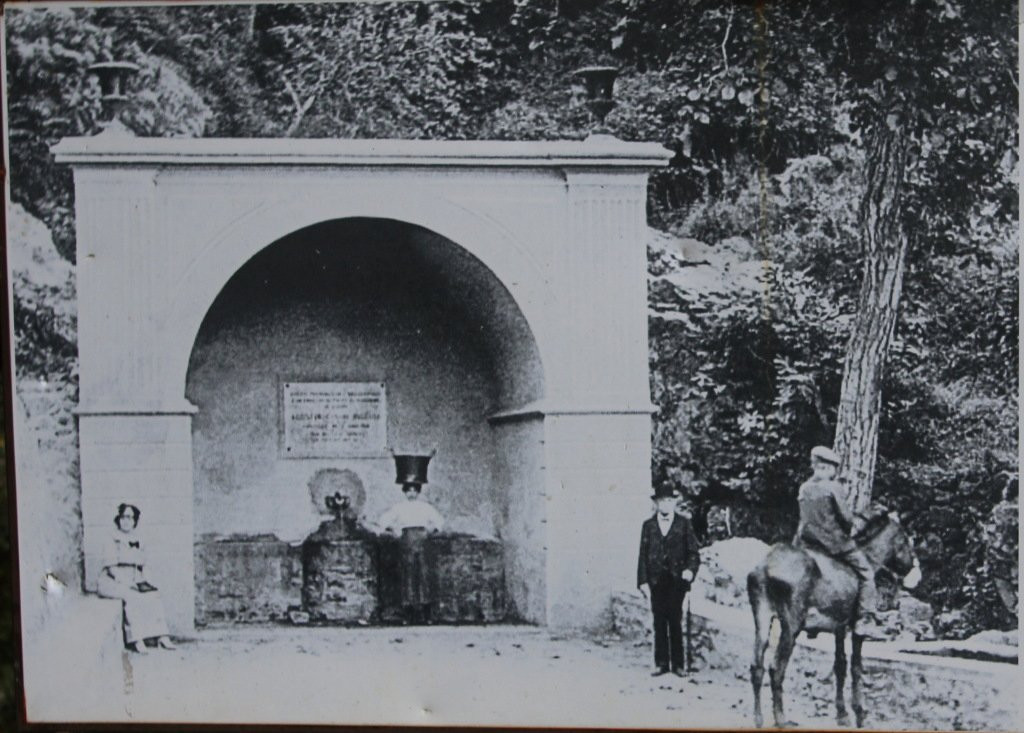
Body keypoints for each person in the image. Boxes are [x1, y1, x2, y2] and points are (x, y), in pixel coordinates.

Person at [794, 446, 884, 639]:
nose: (835, 473)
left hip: (807, 543)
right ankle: (865, 619)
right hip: (833, 544)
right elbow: (847, 519)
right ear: (826, 468)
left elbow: (804, 519)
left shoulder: (804, 488)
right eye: (834, 468)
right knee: (866, 572)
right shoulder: (833, 487)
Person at [637, 485, 701, 677]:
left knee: (675, 619)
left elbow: (694, 553)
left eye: (669, 501)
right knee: (658, 621)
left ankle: (679, 664)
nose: (665, 505)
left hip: (676, 580)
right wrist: (642, 581)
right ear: (656, 504)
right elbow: (643, 555)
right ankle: (661, 663)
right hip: (656, 580)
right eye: (661, 501)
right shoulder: (648, 526)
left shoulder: (684, 524)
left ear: (674, 503)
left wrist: (690, 571)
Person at [97, 503, 176, 653]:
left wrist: (146, 583)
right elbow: (111, 568)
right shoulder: (111, 539)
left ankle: (161, 636)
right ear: (118, 519)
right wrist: (128, 583)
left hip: (133, 579)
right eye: (123, 517)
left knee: (153, 596)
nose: (126, 521)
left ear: (135, 521)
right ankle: (137, 639)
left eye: (130, 518)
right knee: (132, 597)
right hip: (112, 581)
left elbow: (143, 565)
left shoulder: (139, 539)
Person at [377, 454, 444, 623]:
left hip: (423, 542)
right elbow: (383, 521)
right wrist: (394, 530)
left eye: (414, 490)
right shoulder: (399, 508)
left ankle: (426, 614)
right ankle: (408, 614)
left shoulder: (425, 507)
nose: (411, 493)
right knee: (408, 576)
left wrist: (430, 530)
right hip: (406, 542)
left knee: (423, 576)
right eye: (408, 490)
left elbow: (439, 522)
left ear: (418, 491)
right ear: (404, 491)